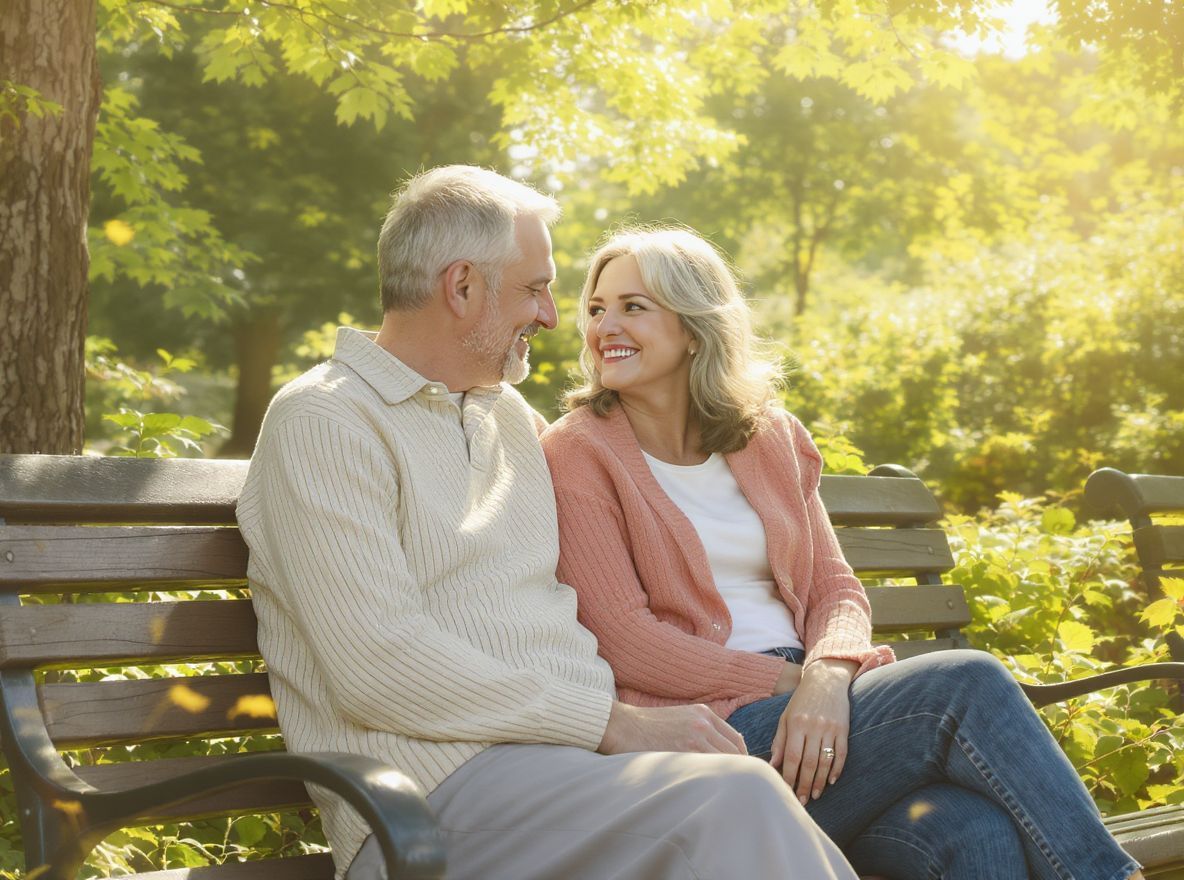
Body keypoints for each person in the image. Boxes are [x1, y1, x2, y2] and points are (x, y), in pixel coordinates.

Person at [236, 167, 859, 880]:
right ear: (462, 287)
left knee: (928, 821)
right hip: (431, 798)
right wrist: (614, 723)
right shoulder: (324, 420)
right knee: (736, 796)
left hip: (571, 774)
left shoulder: (505, 416)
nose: (556, 318)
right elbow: (378, 666)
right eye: (537, 289)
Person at [540, 225, 1145, 880]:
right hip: (714, 737)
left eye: (634, 306)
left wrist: (829, 676)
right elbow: (626, 639)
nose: (605, 326)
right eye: (597, 308)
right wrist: (793, 683)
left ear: (693, 326)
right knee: (964, 684)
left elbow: (835, 587)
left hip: (823, 716)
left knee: (972, 832)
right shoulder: (580, 451)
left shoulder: (769, 436)